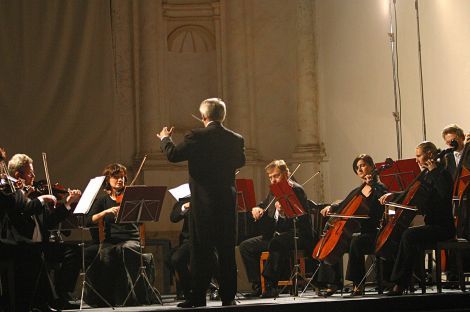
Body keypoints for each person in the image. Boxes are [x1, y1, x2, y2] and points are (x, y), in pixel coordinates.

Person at [157, 98, 245, 307]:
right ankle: (228, 297)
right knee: (225, 250)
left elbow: (173, 155)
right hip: (226, 203)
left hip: (203, 204)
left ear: (204, 117)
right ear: (222, 116)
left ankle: (197, 297)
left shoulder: (195, 136)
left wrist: (164, 139)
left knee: (201, 252)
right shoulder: (235, 138)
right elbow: (240, 162)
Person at [7, 153, 82, 311]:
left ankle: (62, 294)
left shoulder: (34, 195)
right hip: (22, 247)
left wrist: (67, 204)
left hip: (42, 245)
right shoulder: (13, 198)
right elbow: (22, 213)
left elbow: (50, 221)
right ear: (17, 175)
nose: (34, 176)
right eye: (30, 172)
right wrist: (33, 199)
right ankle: (45, 302)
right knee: (35, 256)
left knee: (74, 251)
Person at [380, 141, 456, 296]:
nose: (416, 160)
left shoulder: (442, 173)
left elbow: (444, 195)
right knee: (402, 234)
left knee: (409, 235)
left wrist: (433, 171)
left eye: (418, 156)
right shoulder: (426, 175)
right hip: (432, 226)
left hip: (443, 228)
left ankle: (400, 284)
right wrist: (393, 196)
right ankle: (400, 279)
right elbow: (410, 193)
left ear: (429, 154)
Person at [315, 154, 388, 297]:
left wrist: (372, 184)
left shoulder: (379, 187)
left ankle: (357, 284)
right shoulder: (359, 190)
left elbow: (382, 198)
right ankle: (332, 283)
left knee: (356, 241)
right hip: (358, 232)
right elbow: (345, 204)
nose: (359, 169)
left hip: (373, 233)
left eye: (363, 165)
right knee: (335, 241)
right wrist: (332, 207)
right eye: (357, 167)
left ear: (372, 166)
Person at [239, 160, 313, 298]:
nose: (273, 180)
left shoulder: (296, 189)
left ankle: (271, 285)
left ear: (286, 174)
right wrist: (258, 208)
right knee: (245, 246)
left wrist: (285, 211)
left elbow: (302, 219)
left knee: (277, 243)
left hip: (297, 234)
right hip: (277, 235)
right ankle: (258, 285)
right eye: (271, 177)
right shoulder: (274, 189)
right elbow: (265, 203)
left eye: (276, 176)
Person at [85, 163, 155, 307]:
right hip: (111, 240)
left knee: (126, 249)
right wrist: (106, 212)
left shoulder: (131, 197)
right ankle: (107, 298)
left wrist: (142, 241)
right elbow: (88, 220)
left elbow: (141, 223)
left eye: (123, 177)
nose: (120, 180)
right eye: (116, 177)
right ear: (108, 180)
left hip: (131, 239)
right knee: (105, 254)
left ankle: (132, 297)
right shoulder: (103, 201)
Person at [167, 197, 219, 301]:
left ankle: (210, 287)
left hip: (206, 239)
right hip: (188, 241)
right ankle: (188, 290)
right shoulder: (184, 201)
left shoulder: (208, 197)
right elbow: (173, 217)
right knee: (171, 258)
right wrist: (185, 206)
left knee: (180, 258)